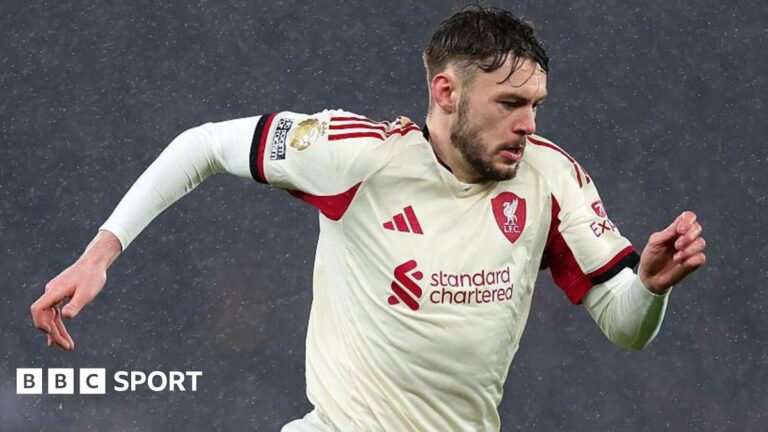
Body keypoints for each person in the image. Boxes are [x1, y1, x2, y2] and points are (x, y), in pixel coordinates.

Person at [30, 5, 706, 431]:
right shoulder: (358, 156)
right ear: (446, 91)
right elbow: (204, 145)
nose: (529, 124)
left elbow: (626, 328)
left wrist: (650, 289)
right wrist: (99, 254)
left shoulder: (550, 177)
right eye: (509, 104)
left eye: (536, 104)